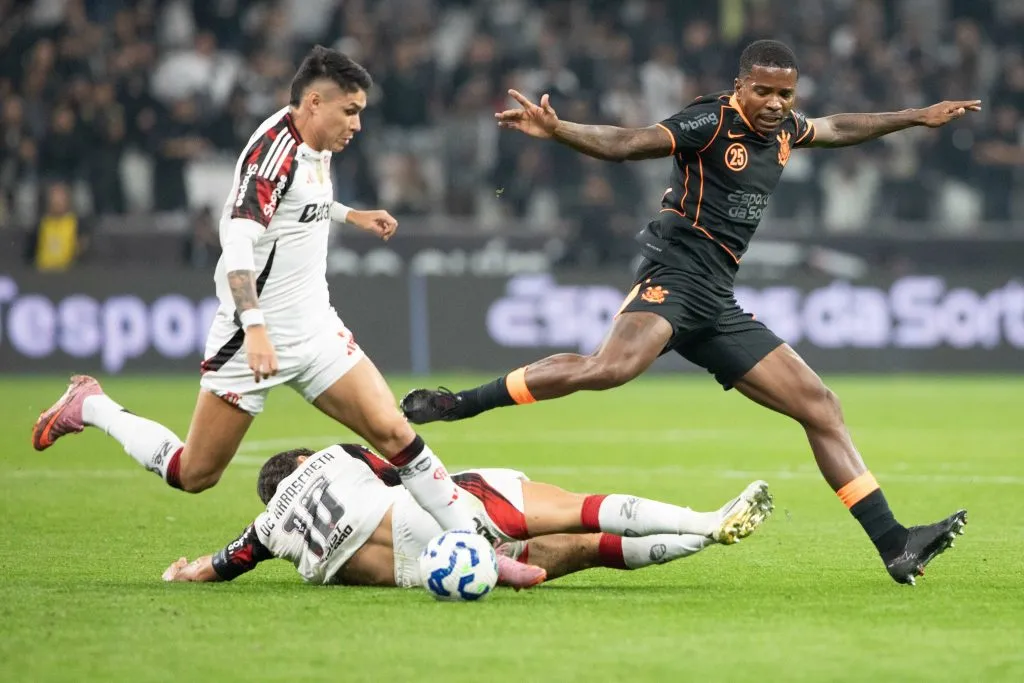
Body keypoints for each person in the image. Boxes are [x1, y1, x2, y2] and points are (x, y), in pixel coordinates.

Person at [402, 40, 976, 585]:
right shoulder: (710, 121)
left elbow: (837, 127)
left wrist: (914, 115)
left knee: (821, 406)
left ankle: (895, 544)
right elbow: (628, 143)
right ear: (739, 87)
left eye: (786, 95)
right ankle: (460, 404)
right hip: (674, 276)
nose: (776, 105)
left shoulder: (785, 129)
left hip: (717, 300)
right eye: (763, 93)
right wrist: (560, 131)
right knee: (610, 369)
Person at [30, 46, 543, 588]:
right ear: (314, 102)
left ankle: (480, 548)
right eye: (351, 111)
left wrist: (352, 215)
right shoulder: (271, 155)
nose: (358, 124)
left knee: (395, 431)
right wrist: (253, 327)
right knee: (194, 473)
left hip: (315, 329)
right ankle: (93, 405)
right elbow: (238, 247)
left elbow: (300, 205)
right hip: (252, 339)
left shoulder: (316, 142)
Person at [160, 442, 774, 587]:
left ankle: (708, 537)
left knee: (586, 551)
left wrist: (186, 573)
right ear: (299, 459)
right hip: (427, 517)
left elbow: (226, 563)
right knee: (580, 510)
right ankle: (704, 523)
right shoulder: (329, 456)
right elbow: (401, 463)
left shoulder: (269, 530)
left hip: (423, 571)